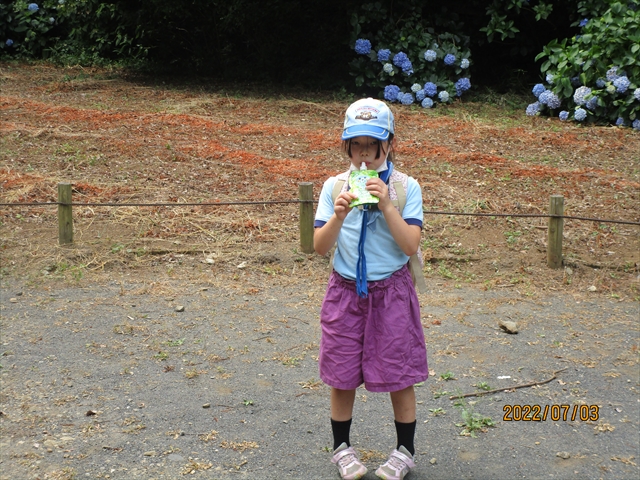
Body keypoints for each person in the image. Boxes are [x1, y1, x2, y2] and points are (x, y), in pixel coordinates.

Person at [314, 98, 429, 480]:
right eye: (356, 145)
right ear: (345, 146)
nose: (365, 155)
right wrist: (338, 214)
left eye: (373, 145)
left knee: (399, 372)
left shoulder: (405, 186)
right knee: (341, 372)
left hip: (392, 292)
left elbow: (410, 245)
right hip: (345, 291)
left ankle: (405, 452)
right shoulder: (334, 186)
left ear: (390, 143)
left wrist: (387, 207)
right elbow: (318, 246)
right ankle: (342, 450)